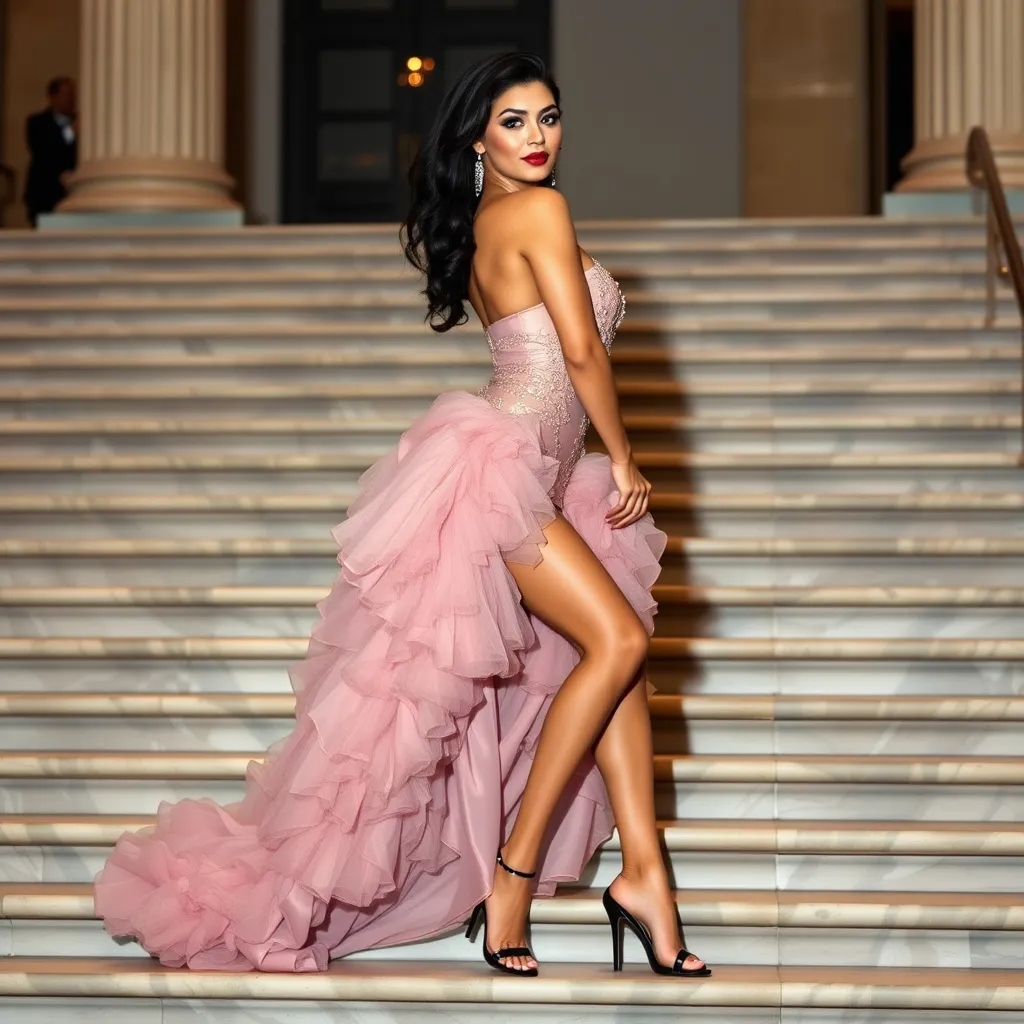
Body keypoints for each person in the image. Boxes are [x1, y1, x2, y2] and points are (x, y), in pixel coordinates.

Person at [93, 51, 709, 980]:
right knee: (617, 643)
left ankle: (647, 878)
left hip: (539, 474)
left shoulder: (496, 217)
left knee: (622, 660)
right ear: (475, 135)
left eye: (549, 117)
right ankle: (513, 874)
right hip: (503, 475)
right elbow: (579, 352)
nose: (538, 137)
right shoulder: (535, 211)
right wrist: (624, 455)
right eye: (514, 121)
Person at [24, 76, 77, 226]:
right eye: (66, 94)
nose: (71, 99)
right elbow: (43, 150)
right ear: (53, 97)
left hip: (72, 195)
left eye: (73, 95)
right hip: (45, 193)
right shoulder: (37, 122)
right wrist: (71, 132)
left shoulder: (81, 120)